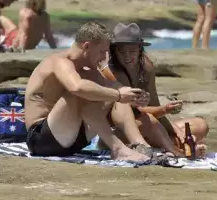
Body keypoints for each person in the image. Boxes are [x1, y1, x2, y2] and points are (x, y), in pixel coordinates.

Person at [24, 21, 156, 162]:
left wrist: (136, 96)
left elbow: (116, 88)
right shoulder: (59, 62)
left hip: (73, 139)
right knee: (84, 92)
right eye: (101, 52)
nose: (104, 58)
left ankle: (140, 145)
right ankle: (118, 149)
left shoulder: (89, 71)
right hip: (42, 139)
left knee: (109, 93)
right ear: (87, 46)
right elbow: (77, 88)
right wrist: (118, 95)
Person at [100, 22, 210, 157]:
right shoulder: (111, 71)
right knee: (148, 121)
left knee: (200, 125)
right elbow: (134, 112)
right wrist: (165, 110)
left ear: (140, 49)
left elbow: (154, 105)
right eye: (121, 52)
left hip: (144, 124)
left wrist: (177, 132)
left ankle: (174, 142)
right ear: (113, 51)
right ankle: (179, 152)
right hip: (115, 132)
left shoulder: (146, 67)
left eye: (132, 51)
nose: (127, 57)